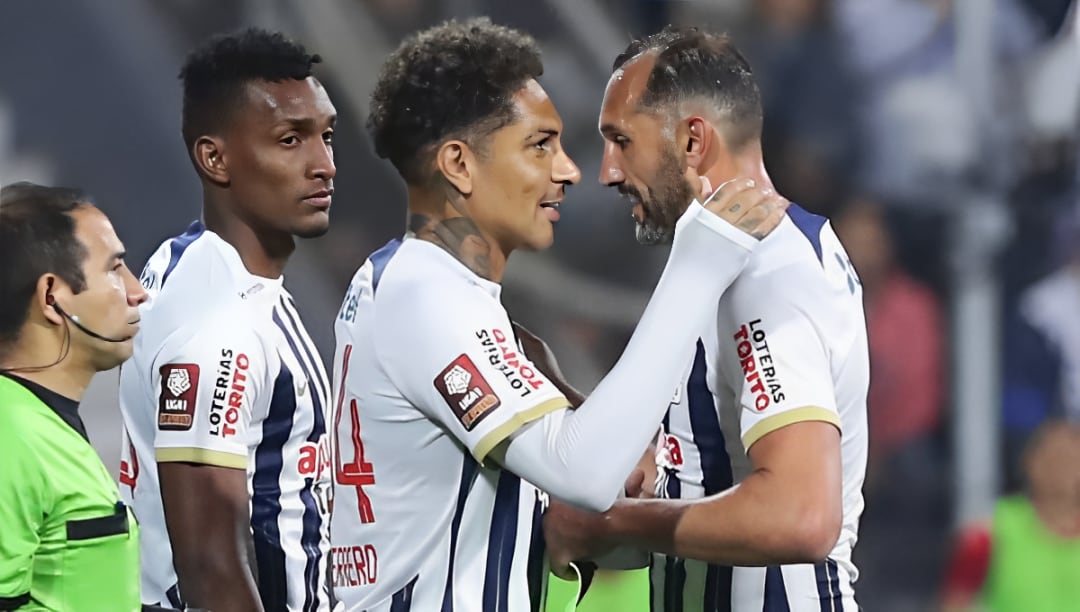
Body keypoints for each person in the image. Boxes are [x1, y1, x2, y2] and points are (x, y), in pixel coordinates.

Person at [330, 17, 788, 611]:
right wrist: (697, 263)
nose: (570, 170)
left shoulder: (414, 286)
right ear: (459, 165)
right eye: (539, 145)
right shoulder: (425, 295)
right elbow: (585, 474)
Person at [542, 25, 869, 611]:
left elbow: (802, 517)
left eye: (622, 141)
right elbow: (718, 477)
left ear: (693, 142)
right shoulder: (728, 261)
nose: (607, 172)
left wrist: (613, 524)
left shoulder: (767, 272)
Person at [117, 28, 338, 611]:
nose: (324, 165)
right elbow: (210, 563)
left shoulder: (193, 259)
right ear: (215, 158)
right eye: (290, 140)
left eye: (326, 136)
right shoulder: (219, 325)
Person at [0, 182, 147, 610]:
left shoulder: (36, 420)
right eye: (114, 268)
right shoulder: (11, 435)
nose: (137, 290)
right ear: (52, 297)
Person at [940, 420, 1080, 611]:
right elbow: (954, 603)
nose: (1064, 471)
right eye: (1057, 459)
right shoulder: (989, 533)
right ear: (1031, 463)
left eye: (1073, 461)